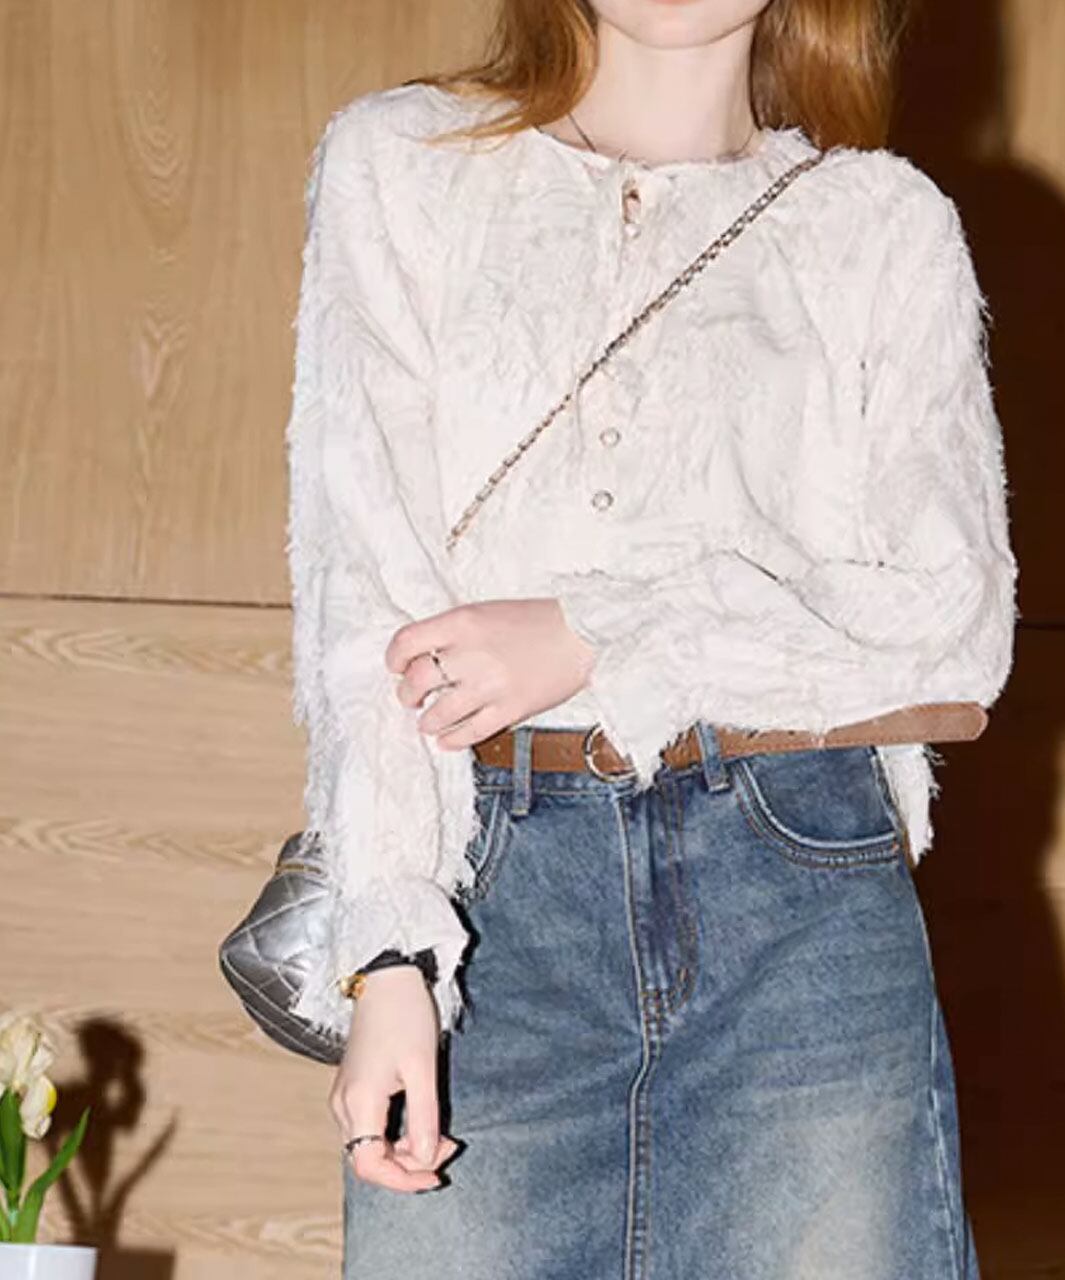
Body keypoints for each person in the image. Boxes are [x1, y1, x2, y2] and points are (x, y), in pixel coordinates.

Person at [281, 0, 1018, 1275]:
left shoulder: (880, 226)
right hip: (486, 905)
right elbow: (365, 594)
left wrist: (598, 635)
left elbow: (954, 620)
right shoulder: (401, 166)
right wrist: (389, 951)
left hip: (794, 891)